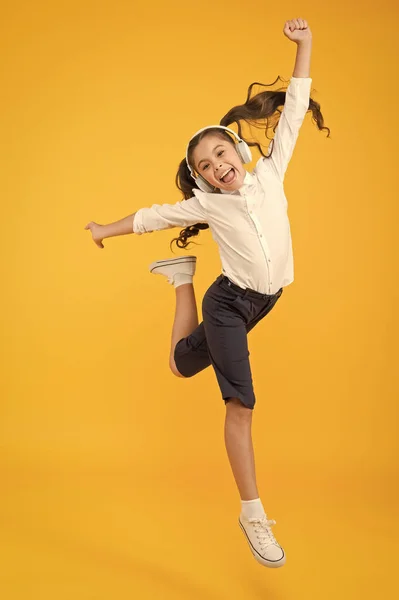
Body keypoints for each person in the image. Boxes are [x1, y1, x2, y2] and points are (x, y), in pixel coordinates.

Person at [85, 18, 330, 568]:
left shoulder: (270, 172)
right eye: (205, 167)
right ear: (200, 179)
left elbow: (293, 111)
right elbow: (150, 216)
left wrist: (305, 46)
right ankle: (253, 514)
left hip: (265, 300)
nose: (218, 168)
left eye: (221, 155)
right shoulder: (206, 204)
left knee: (178, 366)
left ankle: (179, 278)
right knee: (240, 405)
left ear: (238, 152)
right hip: (229, 304)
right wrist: (104, 230)